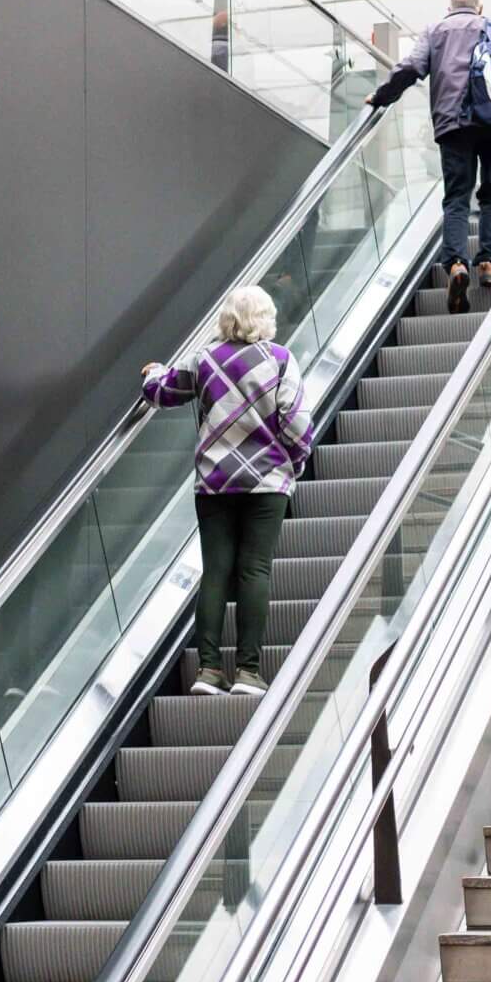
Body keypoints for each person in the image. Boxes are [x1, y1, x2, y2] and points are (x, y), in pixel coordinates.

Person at [139, 286, 312, 696]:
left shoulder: (204, 359)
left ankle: (208, 671)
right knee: (255, 569)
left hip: (214, 483)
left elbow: (163, 392)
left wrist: (152, 373)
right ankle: (249, 673)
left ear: (227, 319)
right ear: (265, 318)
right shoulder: (280, 360)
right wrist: (294, 464)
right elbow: (297, 425)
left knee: (215, 571)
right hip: (266, 483)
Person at [367, 0, 491, 315]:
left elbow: (411, 68)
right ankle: (489, 263)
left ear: (449, 7)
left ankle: (456, 263)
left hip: (453, 124)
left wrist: (381, 96)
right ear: (479, 8)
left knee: (457, 197)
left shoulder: (435, 31)